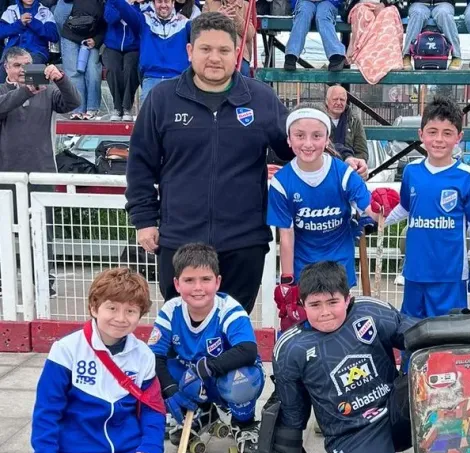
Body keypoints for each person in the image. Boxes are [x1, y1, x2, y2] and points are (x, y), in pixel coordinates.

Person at [126, 12, 367, 312]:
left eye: (224, 50)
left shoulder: (260, 98)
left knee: (234, 328)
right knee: (185, 330)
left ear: (236, 52)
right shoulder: (162, 99)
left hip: (243, 243)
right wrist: (144, 221)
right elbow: (140, 164)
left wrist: (344, 159)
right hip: (180, 241)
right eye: (205, 49)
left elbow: (299, 143)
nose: (215, 58)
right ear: (190, 51)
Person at [261, 261, 417, 453]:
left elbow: (417, 336)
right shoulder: (291, 348)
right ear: (302, 305)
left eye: (333, 302)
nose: (325, 312)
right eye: (315, 304)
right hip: (352, 432)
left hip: (395, 411)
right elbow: (292, 412)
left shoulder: (371, 313)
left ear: (347, 298)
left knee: (438, 374)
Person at [29, 267, 169, 453]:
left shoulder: (144, 355)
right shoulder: (66, 350)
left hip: (126, 452)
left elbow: (153, 409)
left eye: (131, 311)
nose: (120, 318)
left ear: (140, 314)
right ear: (94, 308)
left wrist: (150, 448)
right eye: (112, 308)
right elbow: (46, 413)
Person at [266, 105, 388, 331]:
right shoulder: (282, 183)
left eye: (316, 136)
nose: (308, 143)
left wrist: (383, 204)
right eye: (300, 136)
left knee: (340, 328)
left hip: (339, 266)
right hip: (304, 267)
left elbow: (370, 210)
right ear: (289, 140)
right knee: (306, 331)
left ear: (327, 139)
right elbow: (287, 234)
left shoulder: (343, 173)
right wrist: (287, 280)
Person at [148, 243, 265, 453]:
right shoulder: (171, 310)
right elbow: (154, 356)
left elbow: (247, 351)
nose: (198, 287)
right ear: (177, 284)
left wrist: (203, 369)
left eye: (205, 279)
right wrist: (170, 389)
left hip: (226, 377)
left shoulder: (228, 308)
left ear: (217, 282)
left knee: (241, 379)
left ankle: (245, 424)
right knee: (150, 375)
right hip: (194, 379)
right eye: (189, 280)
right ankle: (202, 411)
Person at [379, 96, 470, 326]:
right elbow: (405, 208)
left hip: (450, 275)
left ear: (459, 137)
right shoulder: (411, 171)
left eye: (447, 133)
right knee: (412, 332)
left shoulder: (467, 177)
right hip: (415, 272)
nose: (439, 139)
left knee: (447, 335)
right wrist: (376, 221)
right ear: (421, 135)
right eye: (432, 132)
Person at [0, 47, 80, 299]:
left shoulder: (47, 91)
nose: (23, 70)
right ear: (6, 68)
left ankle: (44, 280)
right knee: (2, 231)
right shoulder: (2, 90)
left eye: (27, 65)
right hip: (5, 174)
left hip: (41, 171)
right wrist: (26, 90)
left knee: (43, 230)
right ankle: (2, 280)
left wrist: (61, 79)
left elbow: (73, 103)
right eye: (17, 66)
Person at [106, 0, 192, 105]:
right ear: (154, 4)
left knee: (178, 116)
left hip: (177, 80)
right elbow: (123, 7)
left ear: (173, 3)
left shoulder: (185, 24)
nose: (163, 5)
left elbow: (204, 35)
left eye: (167, 1)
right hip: (151, 79)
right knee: (147, 116)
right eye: (159, 2)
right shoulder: (144, 20)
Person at [59, 0, 105, 120]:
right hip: (70, 34)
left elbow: (107, 23)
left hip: (93, 36)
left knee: (93, 71)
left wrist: (97, 40)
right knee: (73, 73)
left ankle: (92, 108)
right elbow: (60, 16)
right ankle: (77, 109)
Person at [0, 0, 59, 81]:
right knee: (3, 72)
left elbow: (53, 36)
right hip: (12, 51)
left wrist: (34, 23)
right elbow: (1, 32)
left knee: (33, 81)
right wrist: (19, 24)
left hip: (36, 52)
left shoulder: (45, 12)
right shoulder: (11, 10)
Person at [103, 0, 141, 121]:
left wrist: (131, 6)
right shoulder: (113, 1)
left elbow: (137, 24)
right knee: (113, 68)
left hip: (133, 47)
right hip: (112, 46)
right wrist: (124, 4)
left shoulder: (142, 5)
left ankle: (127, 107)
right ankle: (117, 106)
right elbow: (110, 18)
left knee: (130, 68)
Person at [284, 0, 345, 71]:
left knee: (323, 14)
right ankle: (291, 54)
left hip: (329, 2)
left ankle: (335, 53)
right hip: (304, 2)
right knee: (303, 13)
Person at [402, 0, 462, 70]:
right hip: (419, 3)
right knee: (417, 13)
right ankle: (406, 55)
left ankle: (456, 56)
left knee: (444, 13)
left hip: (443, 3)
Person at [203, 0, 255, 77]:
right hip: (213, 48)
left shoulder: (246, 5)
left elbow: (249, 35)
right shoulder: (210, 3)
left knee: (243, 72)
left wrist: (236, 18)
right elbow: (200, 29)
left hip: (239, 53)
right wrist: (217, 18)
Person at [325, 85, 368, 161]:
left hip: (349, 164)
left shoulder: (354, 120)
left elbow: (362, 152)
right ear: (327, 101)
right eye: (335, 99)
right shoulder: (319, 120)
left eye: (342, 100)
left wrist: (353, 164)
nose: (339, 103)